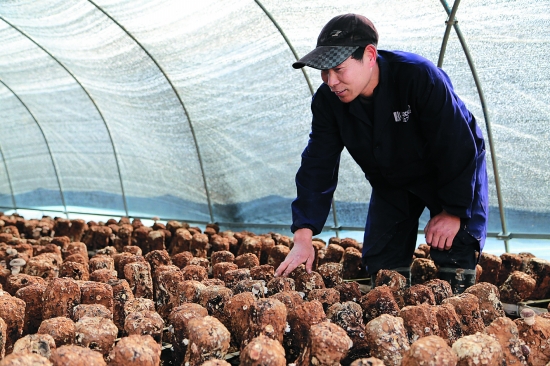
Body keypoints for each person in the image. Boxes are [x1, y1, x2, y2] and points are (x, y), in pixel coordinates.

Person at [274, 13, 488, 294]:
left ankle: (459, 305)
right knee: (382, 263)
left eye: (339, 69)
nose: (331, 81)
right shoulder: (328, 101)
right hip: (393, 181)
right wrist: (303, 235)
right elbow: (318, 162)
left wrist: (453, 212)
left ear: (370, 55)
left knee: (455, 248)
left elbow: (457, 145)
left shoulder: (417, 76)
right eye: (324, 73)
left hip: (447, 173)